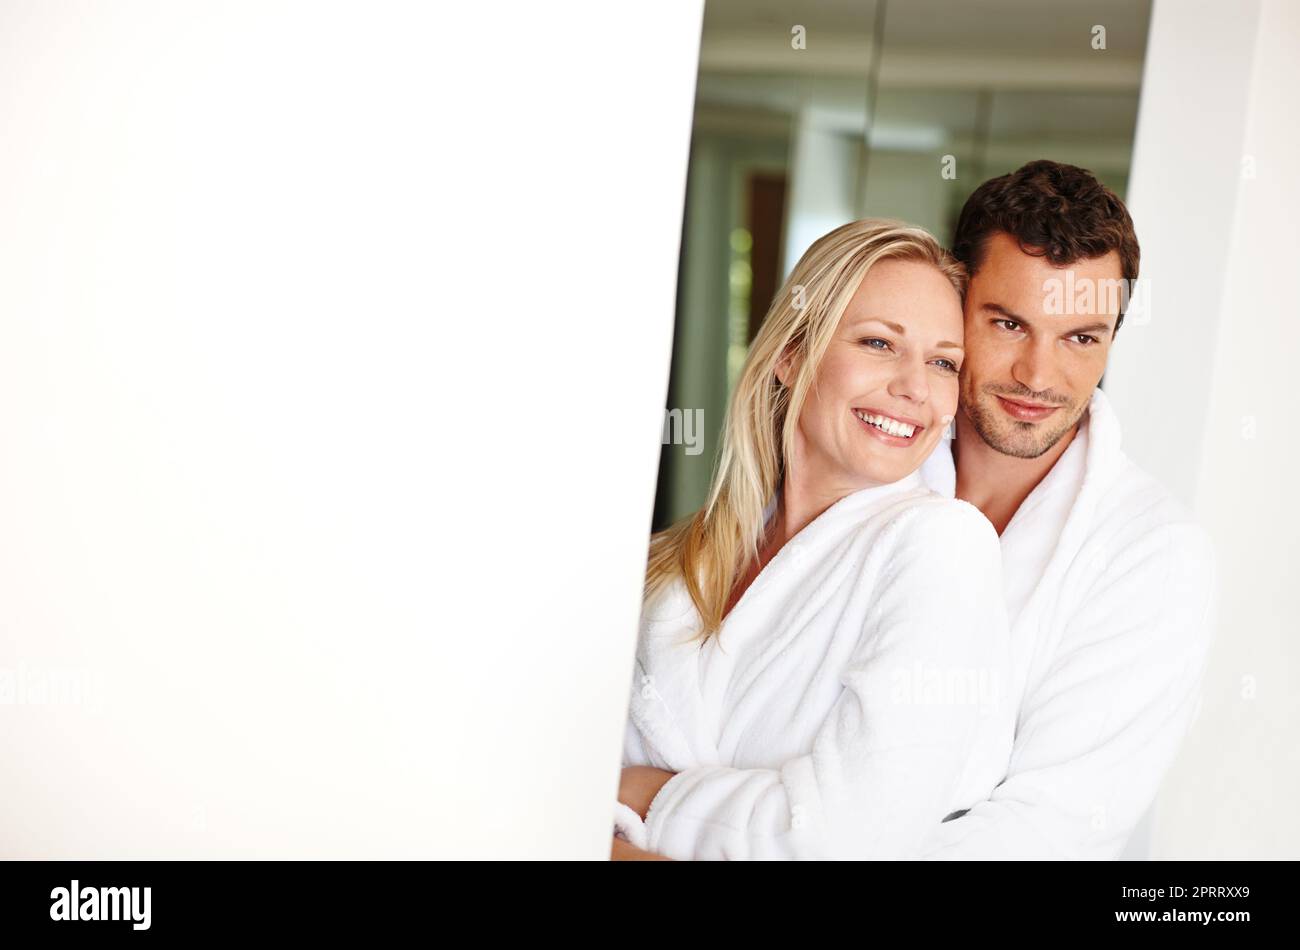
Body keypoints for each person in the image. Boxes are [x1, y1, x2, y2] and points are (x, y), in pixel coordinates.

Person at [611, 219, 1017, 860]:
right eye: (881, 343)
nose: (915, 386)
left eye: (943, 362)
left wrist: (643, 796)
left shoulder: (944, 547)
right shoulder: (677, 560)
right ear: (790, 355)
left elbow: (848, 839)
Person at [916, 160, 1217, 859]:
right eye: (1009, 323)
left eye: (1081, 338)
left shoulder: (1156, 555)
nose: (1038, 376)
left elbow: (1044, 833)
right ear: (957, 306)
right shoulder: (873, 469)